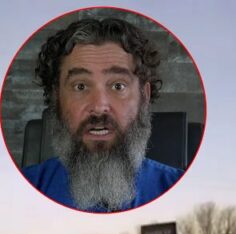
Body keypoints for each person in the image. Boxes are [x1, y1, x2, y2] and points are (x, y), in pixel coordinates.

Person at [20, 16, 184, 213]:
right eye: (80, 86)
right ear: (57, 97)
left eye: (118, 86)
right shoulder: (20, 191)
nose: (99, 107)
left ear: (144, 96)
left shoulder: (181, 189)